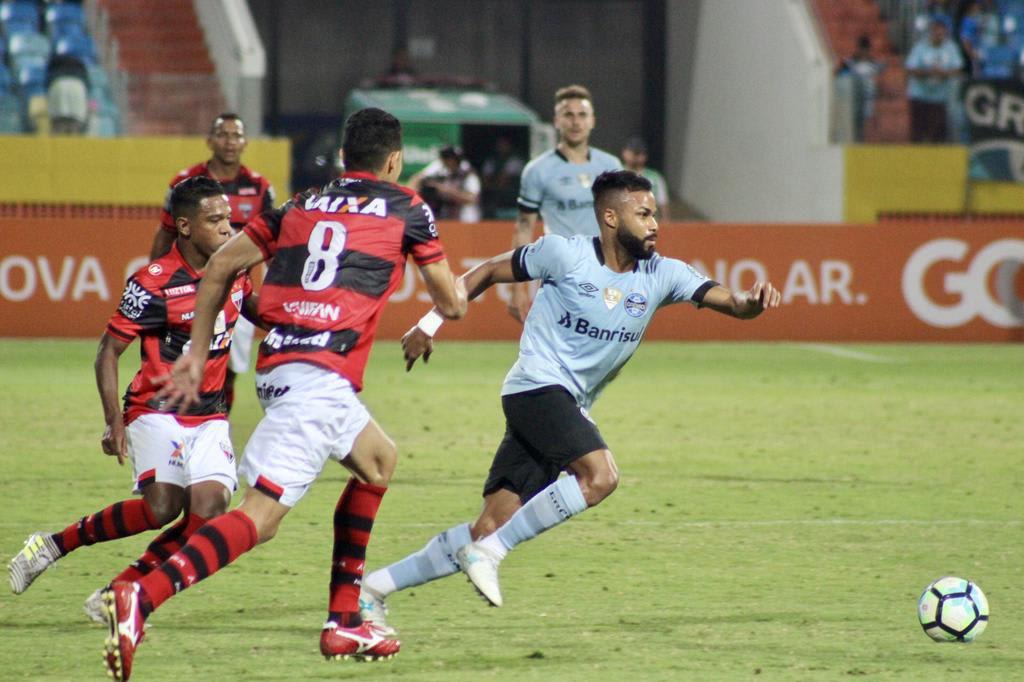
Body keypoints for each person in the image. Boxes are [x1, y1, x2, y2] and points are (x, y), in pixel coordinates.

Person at [100, 107, 468, 681]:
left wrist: (196, 350)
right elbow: (451, 302)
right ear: (394, 161)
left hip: (283, 365)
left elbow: (221, 265)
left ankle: (344, 620)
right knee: (260, 518)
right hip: (317, 379)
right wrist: (439, 300)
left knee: (377, 461)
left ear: (345, 157)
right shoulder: (407, 207)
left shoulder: (299, 203)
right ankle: (141, 597)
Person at [356, 170, 781, 636]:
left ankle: (372, 591)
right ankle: (492, 554)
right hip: (534, 388)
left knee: (489, 526)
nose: (655, 223)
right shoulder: (564, 252)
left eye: (655, 214)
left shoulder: (664, 274)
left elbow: (734, 303)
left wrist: (752, 303)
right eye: (644, 214)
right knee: (600, 477)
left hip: (565, 405)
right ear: (611, 217)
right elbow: (485, 272)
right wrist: (431, 322)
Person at [8, 177, 255, 624]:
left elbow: (264, 312)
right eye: (214, 219)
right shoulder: (154, 281)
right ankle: (53, 544)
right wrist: (113, 422)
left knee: (211, 508)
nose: (226, 227)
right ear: (183, 226)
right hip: (155, 409)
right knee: (162, 508)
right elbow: (108, 351)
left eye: (229, 218)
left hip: (211, 414)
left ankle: (123, 591)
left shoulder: (237, 271)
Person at [151, 113, 276, 413]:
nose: (230, 141)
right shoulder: (185, 182)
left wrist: (275, 290)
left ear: (245, 142)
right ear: (210, 140)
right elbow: (165, 234)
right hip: (188, 288)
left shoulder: (260, 187)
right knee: (181, 357)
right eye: (223, 134)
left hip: (236, 291)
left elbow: (272, 247)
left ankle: (217, 419)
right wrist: (157, 281)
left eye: (236, 135)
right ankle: (174, 418)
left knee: (229, 366)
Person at [508, 84, 621, 321]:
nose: (575, 122)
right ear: (557, 121)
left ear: (592, 121)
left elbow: (623, 223)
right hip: (560, 272)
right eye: (568, 115)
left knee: (603, 349)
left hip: (605, 272)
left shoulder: (610, 165)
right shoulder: (537, 170)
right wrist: (517, 289)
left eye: (582, 115)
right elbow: (524, 228)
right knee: (557, 349)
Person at [905, 18, 963, 143]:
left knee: (938, 134)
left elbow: (958, 69)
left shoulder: (951, 48)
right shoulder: (920, 47)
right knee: (918, 133)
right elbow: (911, 69)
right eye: (936, 33)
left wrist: (943, 73)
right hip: (920, 96)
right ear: (931, 32)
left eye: (941, 33)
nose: (938, 36)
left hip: (939, 98)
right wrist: (928, 72)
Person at [408, 144, 482, 222]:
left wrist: (446, 190)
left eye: (450, 158)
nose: (446, 161)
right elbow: (417, 178)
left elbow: (473, 199)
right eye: (445, 158)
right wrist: (410, 197)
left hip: (466, 218)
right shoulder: (441, 165)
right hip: (446, 216)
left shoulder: (468, 173)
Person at [836, 35, 884, 142]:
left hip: (868, 97)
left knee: (866, 122)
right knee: (854, 121)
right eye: (861, 49)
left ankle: (863, 142)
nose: (863, 52)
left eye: (865, 49)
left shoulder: (874, 65)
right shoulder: (850, 63)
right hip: (854, 97)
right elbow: (839, 74)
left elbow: (881, 77)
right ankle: (855, 141)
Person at [620, 136, 670, 220]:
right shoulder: (616, 174)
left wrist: (666, 223)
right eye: (632, 153)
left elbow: (663, 203)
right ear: (624, 153)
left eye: (639, 153)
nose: (635, 157)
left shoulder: (654, 177)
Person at [480, 135, 525, 218]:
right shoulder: (491, 161)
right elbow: (485, 182)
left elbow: (503, 182)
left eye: (504, 144)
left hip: (513, 202)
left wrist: (493, 183)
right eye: (499, 145)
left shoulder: (515, 161)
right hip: (494, 201)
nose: (501, 147)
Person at [45, 53, 89, 135]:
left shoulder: (53, 62)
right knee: (75, 123)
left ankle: (57, 147)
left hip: (58, 84)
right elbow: (88, 85)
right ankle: (73, 146)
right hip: (78, 86)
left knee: (59, 123)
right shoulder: (80, 64)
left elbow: (46, 82)